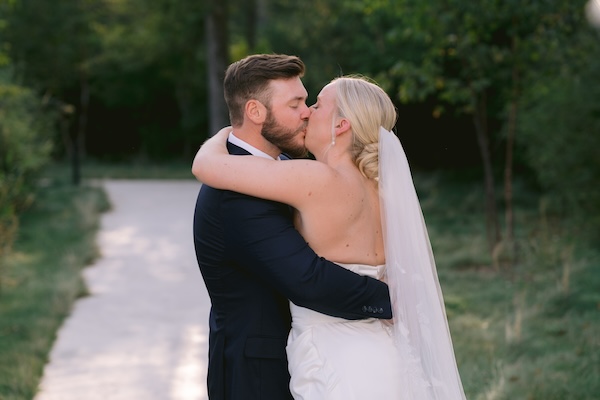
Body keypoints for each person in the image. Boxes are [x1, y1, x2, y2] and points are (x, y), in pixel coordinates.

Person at [193, 75, 468, 399]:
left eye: (317, 104)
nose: (308, 112)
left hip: (337, 357)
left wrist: (222, 136)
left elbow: (206, 166)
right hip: (386, 351)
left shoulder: (315, 179)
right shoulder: (385, 192)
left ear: (341, 126)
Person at [192, 54, 393, 400]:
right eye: (296, 103)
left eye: (309, 101)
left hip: (324, 354)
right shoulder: (233, 194)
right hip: (256, 374)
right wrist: (396, 300)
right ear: (256, 112)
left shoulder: (289, 170)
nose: (306, 112)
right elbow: (308, 279)